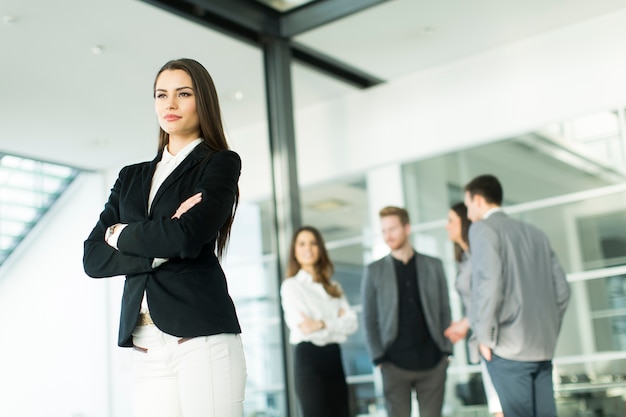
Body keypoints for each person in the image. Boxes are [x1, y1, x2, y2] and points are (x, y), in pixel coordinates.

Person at [83, 58, 246, 417]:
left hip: (201, 337)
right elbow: (93, 258)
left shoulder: (219, 163)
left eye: (183, 94)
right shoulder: (130, 177)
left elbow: (187, 236)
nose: (169, 104)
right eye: (161, 95)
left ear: (201, 101)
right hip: (145, 344)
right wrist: (158, 238)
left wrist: (120, 234)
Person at [464, 174, 571, 417]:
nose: (468, 214)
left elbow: (489, 283)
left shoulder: (482, 229)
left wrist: (485, 337)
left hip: (507, 348)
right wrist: (549, 327)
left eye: (469, 206)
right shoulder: (535, 234)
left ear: (479, 200)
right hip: (542, 347)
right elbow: (563, 290)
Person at [361, 206, 452, 417]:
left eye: (392, 229)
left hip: (433, 362)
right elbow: (369, 319)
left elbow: (444, 310)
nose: (387, 236)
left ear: (407, 228)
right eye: (384, 231)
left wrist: (446, 351)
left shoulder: (433, 265)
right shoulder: (374, 271)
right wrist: (378, 358)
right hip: (393, 364)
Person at [280, 226, 358, 417]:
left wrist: (321, 324)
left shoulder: (334, 287)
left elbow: (352, 323)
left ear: (320, 248)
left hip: (334, 358)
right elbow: (305, 327)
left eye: (313, 243)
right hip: (309, 360)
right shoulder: (292, 286)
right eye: (302, 244)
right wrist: (335, 322)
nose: (308, 248)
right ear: (295, 251)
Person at [443, 202, 503, 417]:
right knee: (498, 408)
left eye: (451, 221)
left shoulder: (480, 253)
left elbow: (489, 295)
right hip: (482, 339)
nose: (446, 226)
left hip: (495, 338)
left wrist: (466, 323)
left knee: (502, 408)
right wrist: (465, 323)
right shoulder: (466, 258)